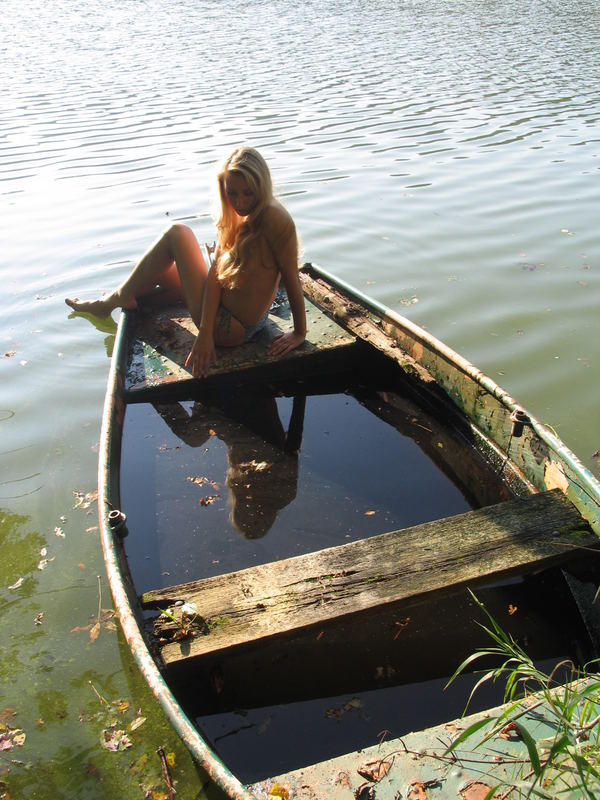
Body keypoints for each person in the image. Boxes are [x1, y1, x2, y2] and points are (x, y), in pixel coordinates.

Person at [65, 146, 306, 377]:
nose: (240, 202)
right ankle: (124, 298)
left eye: (247, 193)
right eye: (231, 193)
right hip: (223, 309)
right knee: (160, 269)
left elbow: (291, 275)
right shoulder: (235, 214)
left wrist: (299, 332)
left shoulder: (276, 220)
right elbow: (215, 275)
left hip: (234, 327)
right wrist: (205, 331)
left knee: (178, 234)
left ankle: (116, 300)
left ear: (261, 187)